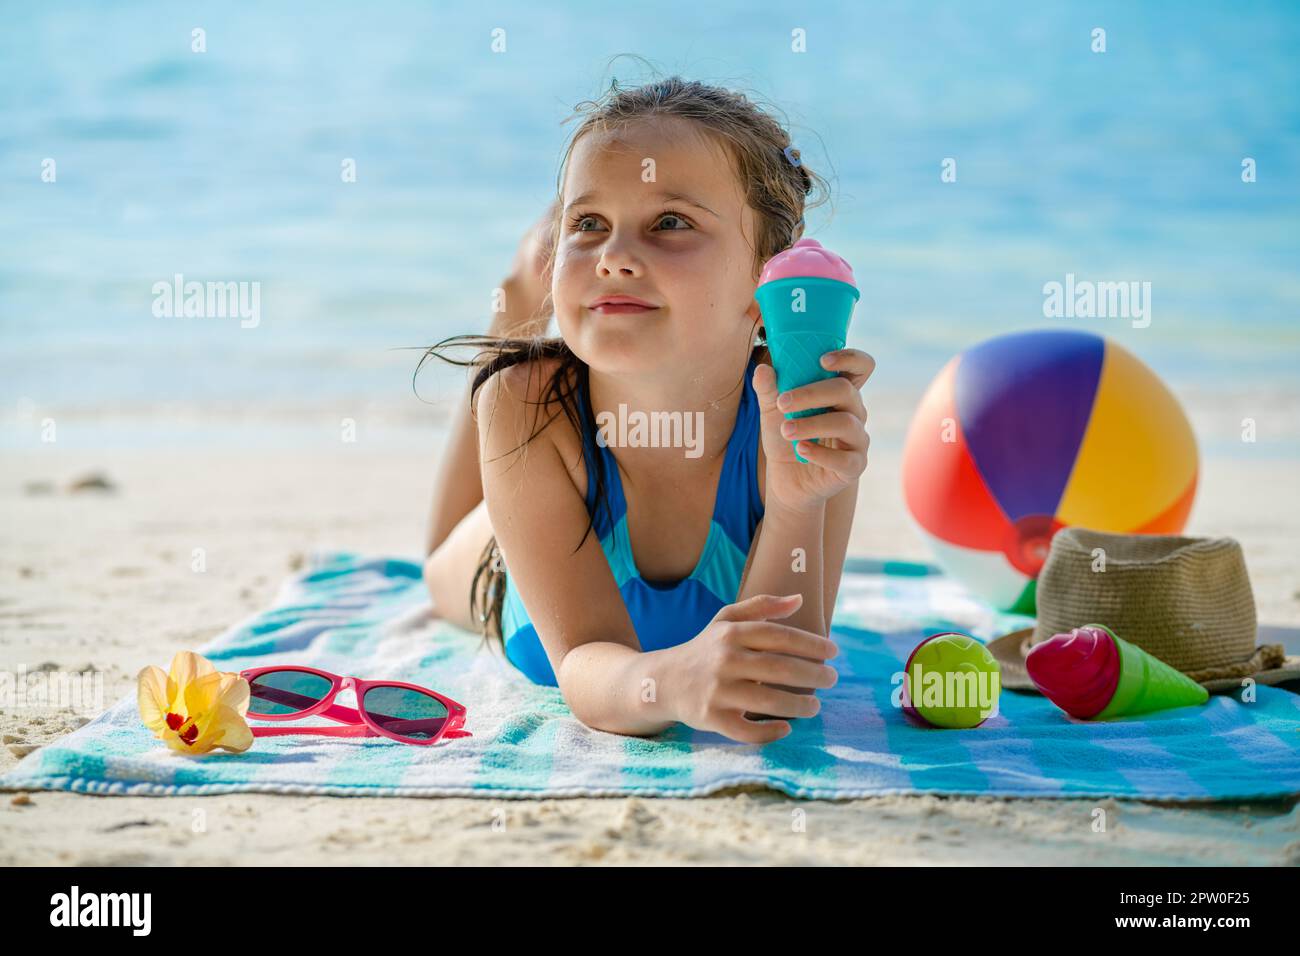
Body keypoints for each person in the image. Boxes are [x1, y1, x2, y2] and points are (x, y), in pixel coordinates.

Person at [420, 76, 874, 744]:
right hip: (510, 571)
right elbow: (580, 664)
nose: (614, 257)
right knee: (437, 564)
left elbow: (779, 686)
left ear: (770, 282)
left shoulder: (805, 412)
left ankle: (533, 284)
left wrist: (799, 500)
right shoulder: (525, 405)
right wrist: (671, 683)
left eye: (670, 223)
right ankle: (521, 301)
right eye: (588, 224)